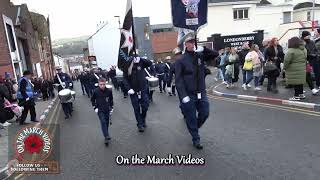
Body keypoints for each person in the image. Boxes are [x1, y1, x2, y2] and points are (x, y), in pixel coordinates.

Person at [175, 32, 219, 149]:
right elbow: (178, 80)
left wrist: (203, 49)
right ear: (185, 44)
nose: (192, 44)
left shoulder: (200, 56)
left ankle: (194, 127)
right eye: (190, 42)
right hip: (189, 94)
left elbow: (215, 54)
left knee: (205, 113)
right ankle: (196, 138)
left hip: (201, 92)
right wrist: (183, 96)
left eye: (193, 41)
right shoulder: (181, 60)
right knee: (191, 117)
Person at [124, 55, 152, 132]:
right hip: (133, 91)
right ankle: (139, 124)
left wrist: (141, 59)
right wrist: (129, 89)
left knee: (145, 106)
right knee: (136, 108)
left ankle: (143, 119)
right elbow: (125, 79)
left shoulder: (141, 62)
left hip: (143, 89)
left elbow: (150, 63)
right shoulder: (127, 65)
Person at [91, 78, 113, 146]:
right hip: (100, 110)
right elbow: (92, 100)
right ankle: (106, 136)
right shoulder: (95, 91)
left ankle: (106, 135)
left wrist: (111, 108)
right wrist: (95, 108)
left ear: (105, 84)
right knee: (103, 121)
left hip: (107, 109)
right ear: (98, 84)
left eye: (103, 84)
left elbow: (111, 100)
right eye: (101, 84)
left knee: (106, 122)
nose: (102, 86)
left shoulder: (109, 91)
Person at [301, 31, 320, 95]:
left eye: (309, 35)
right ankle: (301, 89)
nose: (309, 36)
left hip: (312, 59)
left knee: (311, 73)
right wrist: (310, 54)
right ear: (304, 36)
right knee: (304, 75)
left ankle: (314, 87)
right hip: (304, 60)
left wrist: (315, 54)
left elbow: (315, 49)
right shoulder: (301, 42)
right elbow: (302, 52)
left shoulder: (311, 42)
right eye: (307, 35)